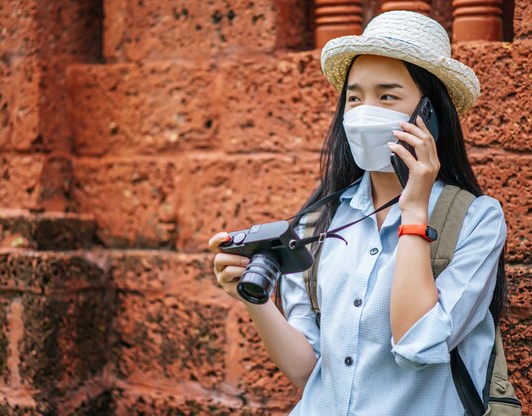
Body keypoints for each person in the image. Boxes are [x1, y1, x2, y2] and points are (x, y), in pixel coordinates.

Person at [208, 10, 507, 415]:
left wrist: (415, 210)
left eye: (387, 96)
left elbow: (419, 342)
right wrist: (253, 297)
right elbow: (307, 369)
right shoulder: (317, 222)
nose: (365, 111)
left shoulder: (477, 220)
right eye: (354, 97)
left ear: (429, 114)